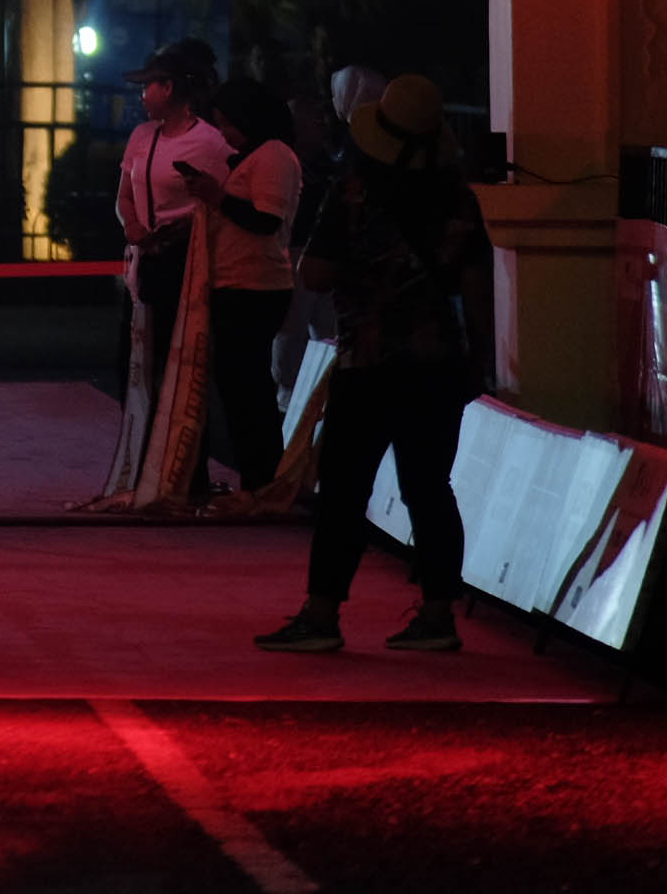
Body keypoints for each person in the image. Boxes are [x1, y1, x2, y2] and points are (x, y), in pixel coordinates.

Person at [258, 72, 496, 656]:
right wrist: (478, 363)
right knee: (430, 489)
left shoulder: (353, 195)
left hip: (367, 363)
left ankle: (322, 614)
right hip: (438, 364)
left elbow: (314, 274)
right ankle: (438, 614)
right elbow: (477, 292)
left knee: (343, 491)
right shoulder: (460, 201)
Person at [114, 39, 235, 392]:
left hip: (182, 264)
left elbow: (226, 202)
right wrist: (131, 224)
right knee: (132, 361)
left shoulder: (210, 143)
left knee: (175, 360)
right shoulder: (141, 136)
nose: (141, 95)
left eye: (147, 87)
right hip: (142, 263)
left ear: (168, 88)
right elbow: (124, 195)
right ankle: (138, 426)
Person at [201, 78, 303, 492]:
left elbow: (266, 220)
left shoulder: (273, 156)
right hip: (237, 283)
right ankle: (256, 477)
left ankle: (262, 478)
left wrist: (217, 198)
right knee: (238, 385)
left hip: (255, 287)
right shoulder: (256, 155)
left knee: (249, 388)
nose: (223, 133)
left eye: (227, 123)